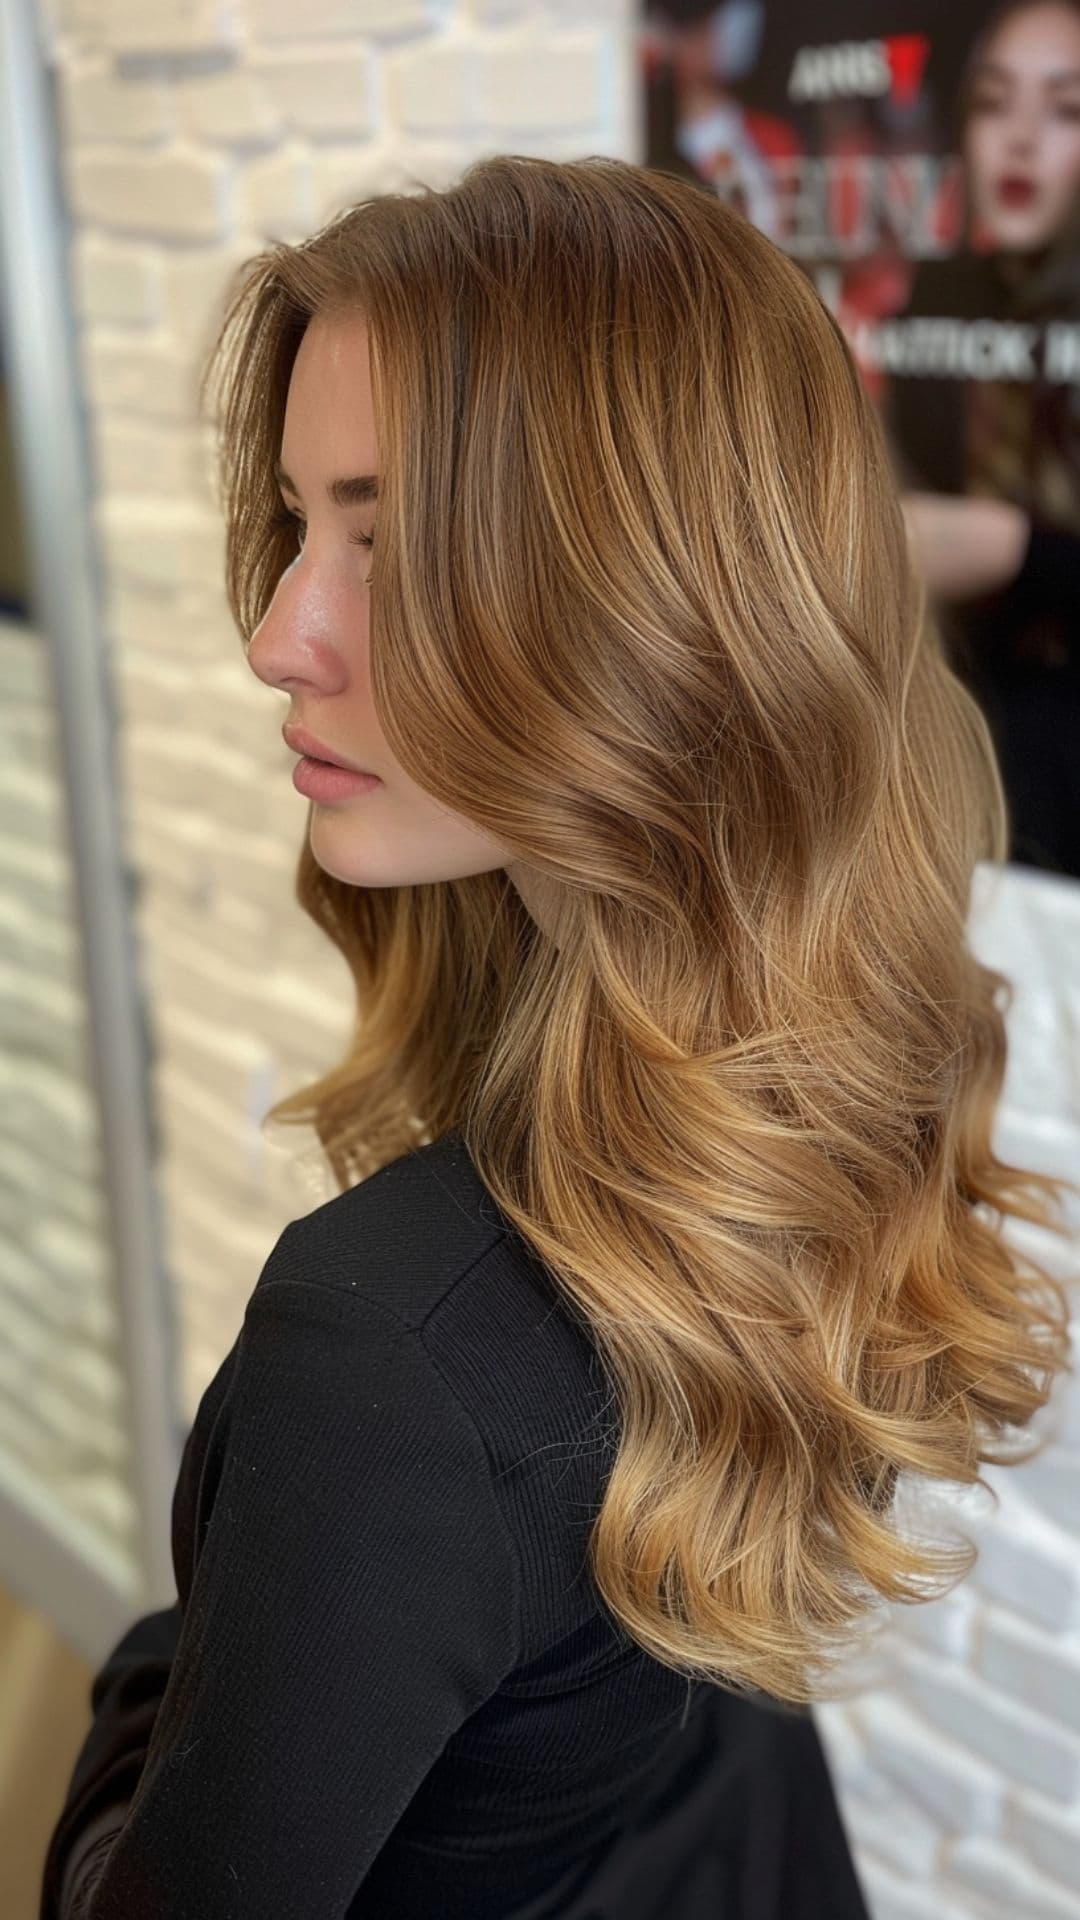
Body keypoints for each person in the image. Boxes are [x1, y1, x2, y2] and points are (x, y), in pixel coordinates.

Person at [40, 152, 1075, 1920]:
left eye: (387, 542)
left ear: (654, 601)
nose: (284, 633)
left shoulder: (391, 1357)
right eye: (296, 526)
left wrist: (163, 1663)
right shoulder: (844, 1070)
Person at [886, 0, 1080, 877]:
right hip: (949, 755)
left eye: (1067, 110)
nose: (1021, 139)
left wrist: (1019, 551)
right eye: (995, 103)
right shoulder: (936, 297)